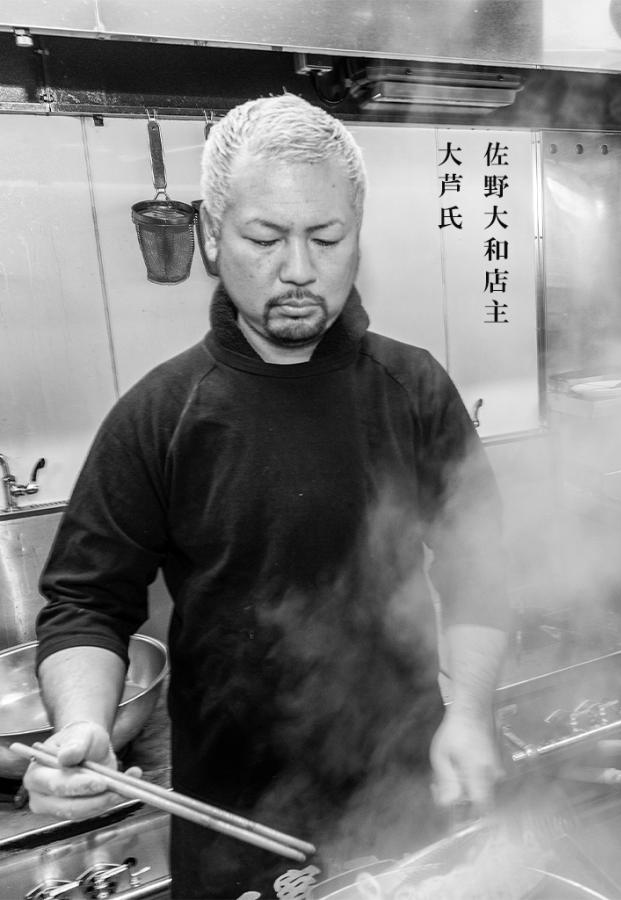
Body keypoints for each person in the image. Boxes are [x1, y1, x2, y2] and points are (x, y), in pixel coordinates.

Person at [25, 92, 510, 899]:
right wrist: (83, 723)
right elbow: (85, 601)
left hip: (406, 792)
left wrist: (468, 715)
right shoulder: (160, 413)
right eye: (263, 236)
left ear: (358, 232)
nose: (298, 268)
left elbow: (481, 571)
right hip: (229, 812)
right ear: (213, 235)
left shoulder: (412, 386)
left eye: (327, 237)